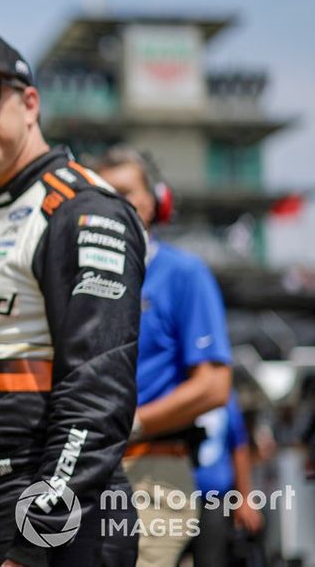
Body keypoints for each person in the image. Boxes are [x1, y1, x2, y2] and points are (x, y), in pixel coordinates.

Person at [0, 32, 145, 566]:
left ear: (30, 103)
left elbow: (97, 391)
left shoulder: (83, 209)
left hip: (49, 516)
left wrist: (37, 541)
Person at [92, 146, 232, 567]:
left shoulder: (184, 274)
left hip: (154, 469)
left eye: (125, 192)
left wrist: (133, 424)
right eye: (102, 194)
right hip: (90, 471)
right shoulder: (80, 276)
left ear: (156, 201)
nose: (114, 205)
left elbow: (213, 387)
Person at [189, 391, 264, 566]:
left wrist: (244, 497)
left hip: (214, 499)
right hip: (172, 494)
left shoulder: (225, 396)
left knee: (212, 560)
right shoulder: (172, 385)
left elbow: (239, 445)